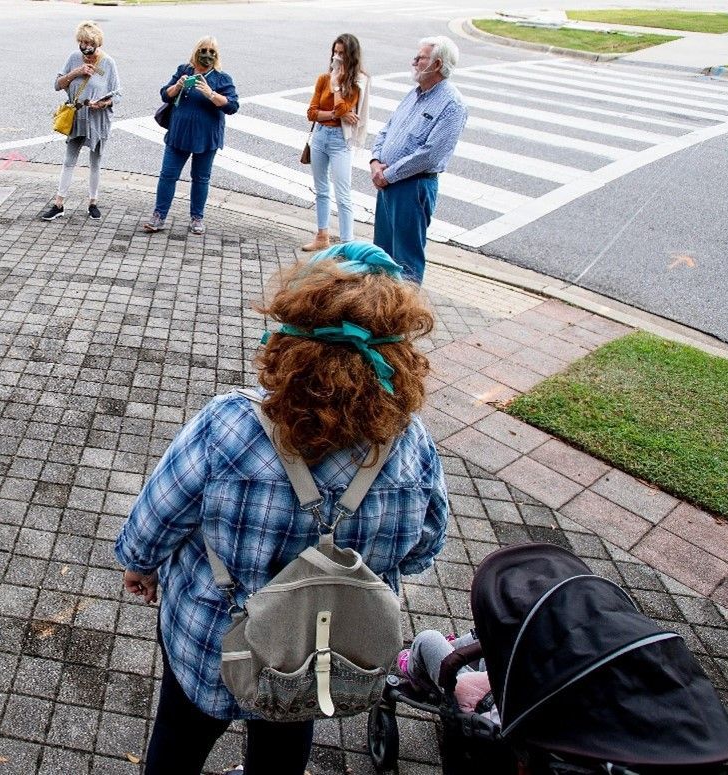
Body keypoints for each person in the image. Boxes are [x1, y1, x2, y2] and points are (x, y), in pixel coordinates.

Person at [114, 242, 449, 775]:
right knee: (284, 747)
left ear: (290, 341)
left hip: (210, 641)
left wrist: (140, 564)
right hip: (316, 656)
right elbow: (423, 547)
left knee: (179, 741)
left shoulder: (230, 425)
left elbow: (158, 515)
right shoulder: (411, 446)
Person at [369, 36, 468, 283]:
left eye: (421, 57)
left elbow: (430, 154)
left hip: (412, 187)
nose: (414, 61)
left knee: (406, 261)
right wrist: (375, 161)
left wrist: (386, 175)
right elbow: (387, 129)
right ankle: (379, 311)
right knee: (381, 255)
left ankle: (402, 317)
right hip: (388, 184)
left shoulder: (452, 105)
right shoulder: (414, 94)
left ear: (437, 64)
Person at [143, 36, 239, 237]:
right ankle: (159, 216)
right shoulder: (184, 70)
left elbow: (232, 106)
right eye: (203, 50)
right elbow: (164, 94)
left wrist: (211, 94)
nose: (207, 55)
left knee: (201, 178)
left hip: (206, 137)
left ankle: (197, 218)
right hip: (179, 134)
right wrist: (177, 86)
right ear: (196, 52)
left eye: (212, 52)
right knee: (168, 175)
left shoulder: (222, 79)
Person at [38, 20, 121, 223]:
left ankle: (93, 202)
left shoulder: (108, 63)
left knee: (95, 161)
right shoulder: (74, 58)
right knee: (69, 160)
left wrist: (102, 103)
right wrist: (77, 71)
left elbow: (118, 95)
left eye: (89, 43)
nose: (85, 47)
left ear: (97, 43)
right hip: (77, 114)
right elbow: (57, 84)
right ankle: (59, 204)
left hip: (98, 117)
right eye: (82, 42)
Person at [302, 33, 370, 252]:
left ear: (351, 56)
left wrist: (337, 86)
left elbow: (344, 109)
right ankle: (322, 236)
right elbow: (312, 113)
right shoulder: (324, 79)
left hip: (341, 140)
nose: (337, 57)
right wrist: (335, 113)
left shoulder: (358, 81)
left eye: (342, 53)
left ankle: (347, 244)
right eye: (335, 52)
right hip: (321, 136)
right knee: (321, 189)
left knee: (343, 193)